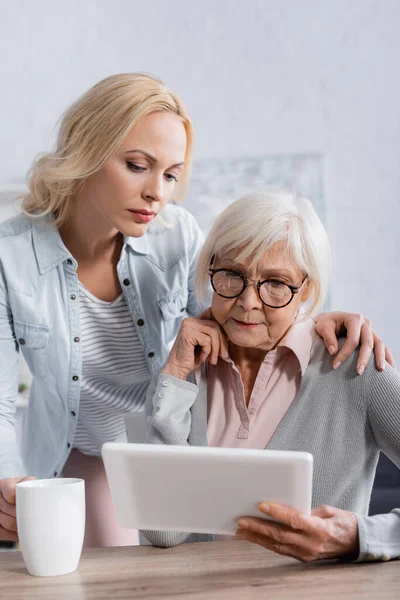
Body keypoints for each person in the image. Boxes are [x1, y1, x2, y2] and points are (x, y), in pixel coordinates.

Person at [0, 74, 392, 548]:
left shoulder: (176, 234)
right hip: (74, 448)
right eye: (137, 165)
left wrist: (313, 319)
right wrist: (9, 478)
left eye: (170, 174)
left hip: (160, 436)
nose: (157, 193)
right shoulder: (14, 256)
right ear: (86, 151)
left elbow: (236, 312)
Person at [144, 190, 400, 563]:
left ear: (306, 290)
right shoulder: (185, 370)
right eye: (232, 275)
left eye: (276, 283)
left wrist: (362, 536)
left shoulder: (355, 368)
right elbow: (161, 530)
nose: (248, 301)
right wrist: (175, 376)